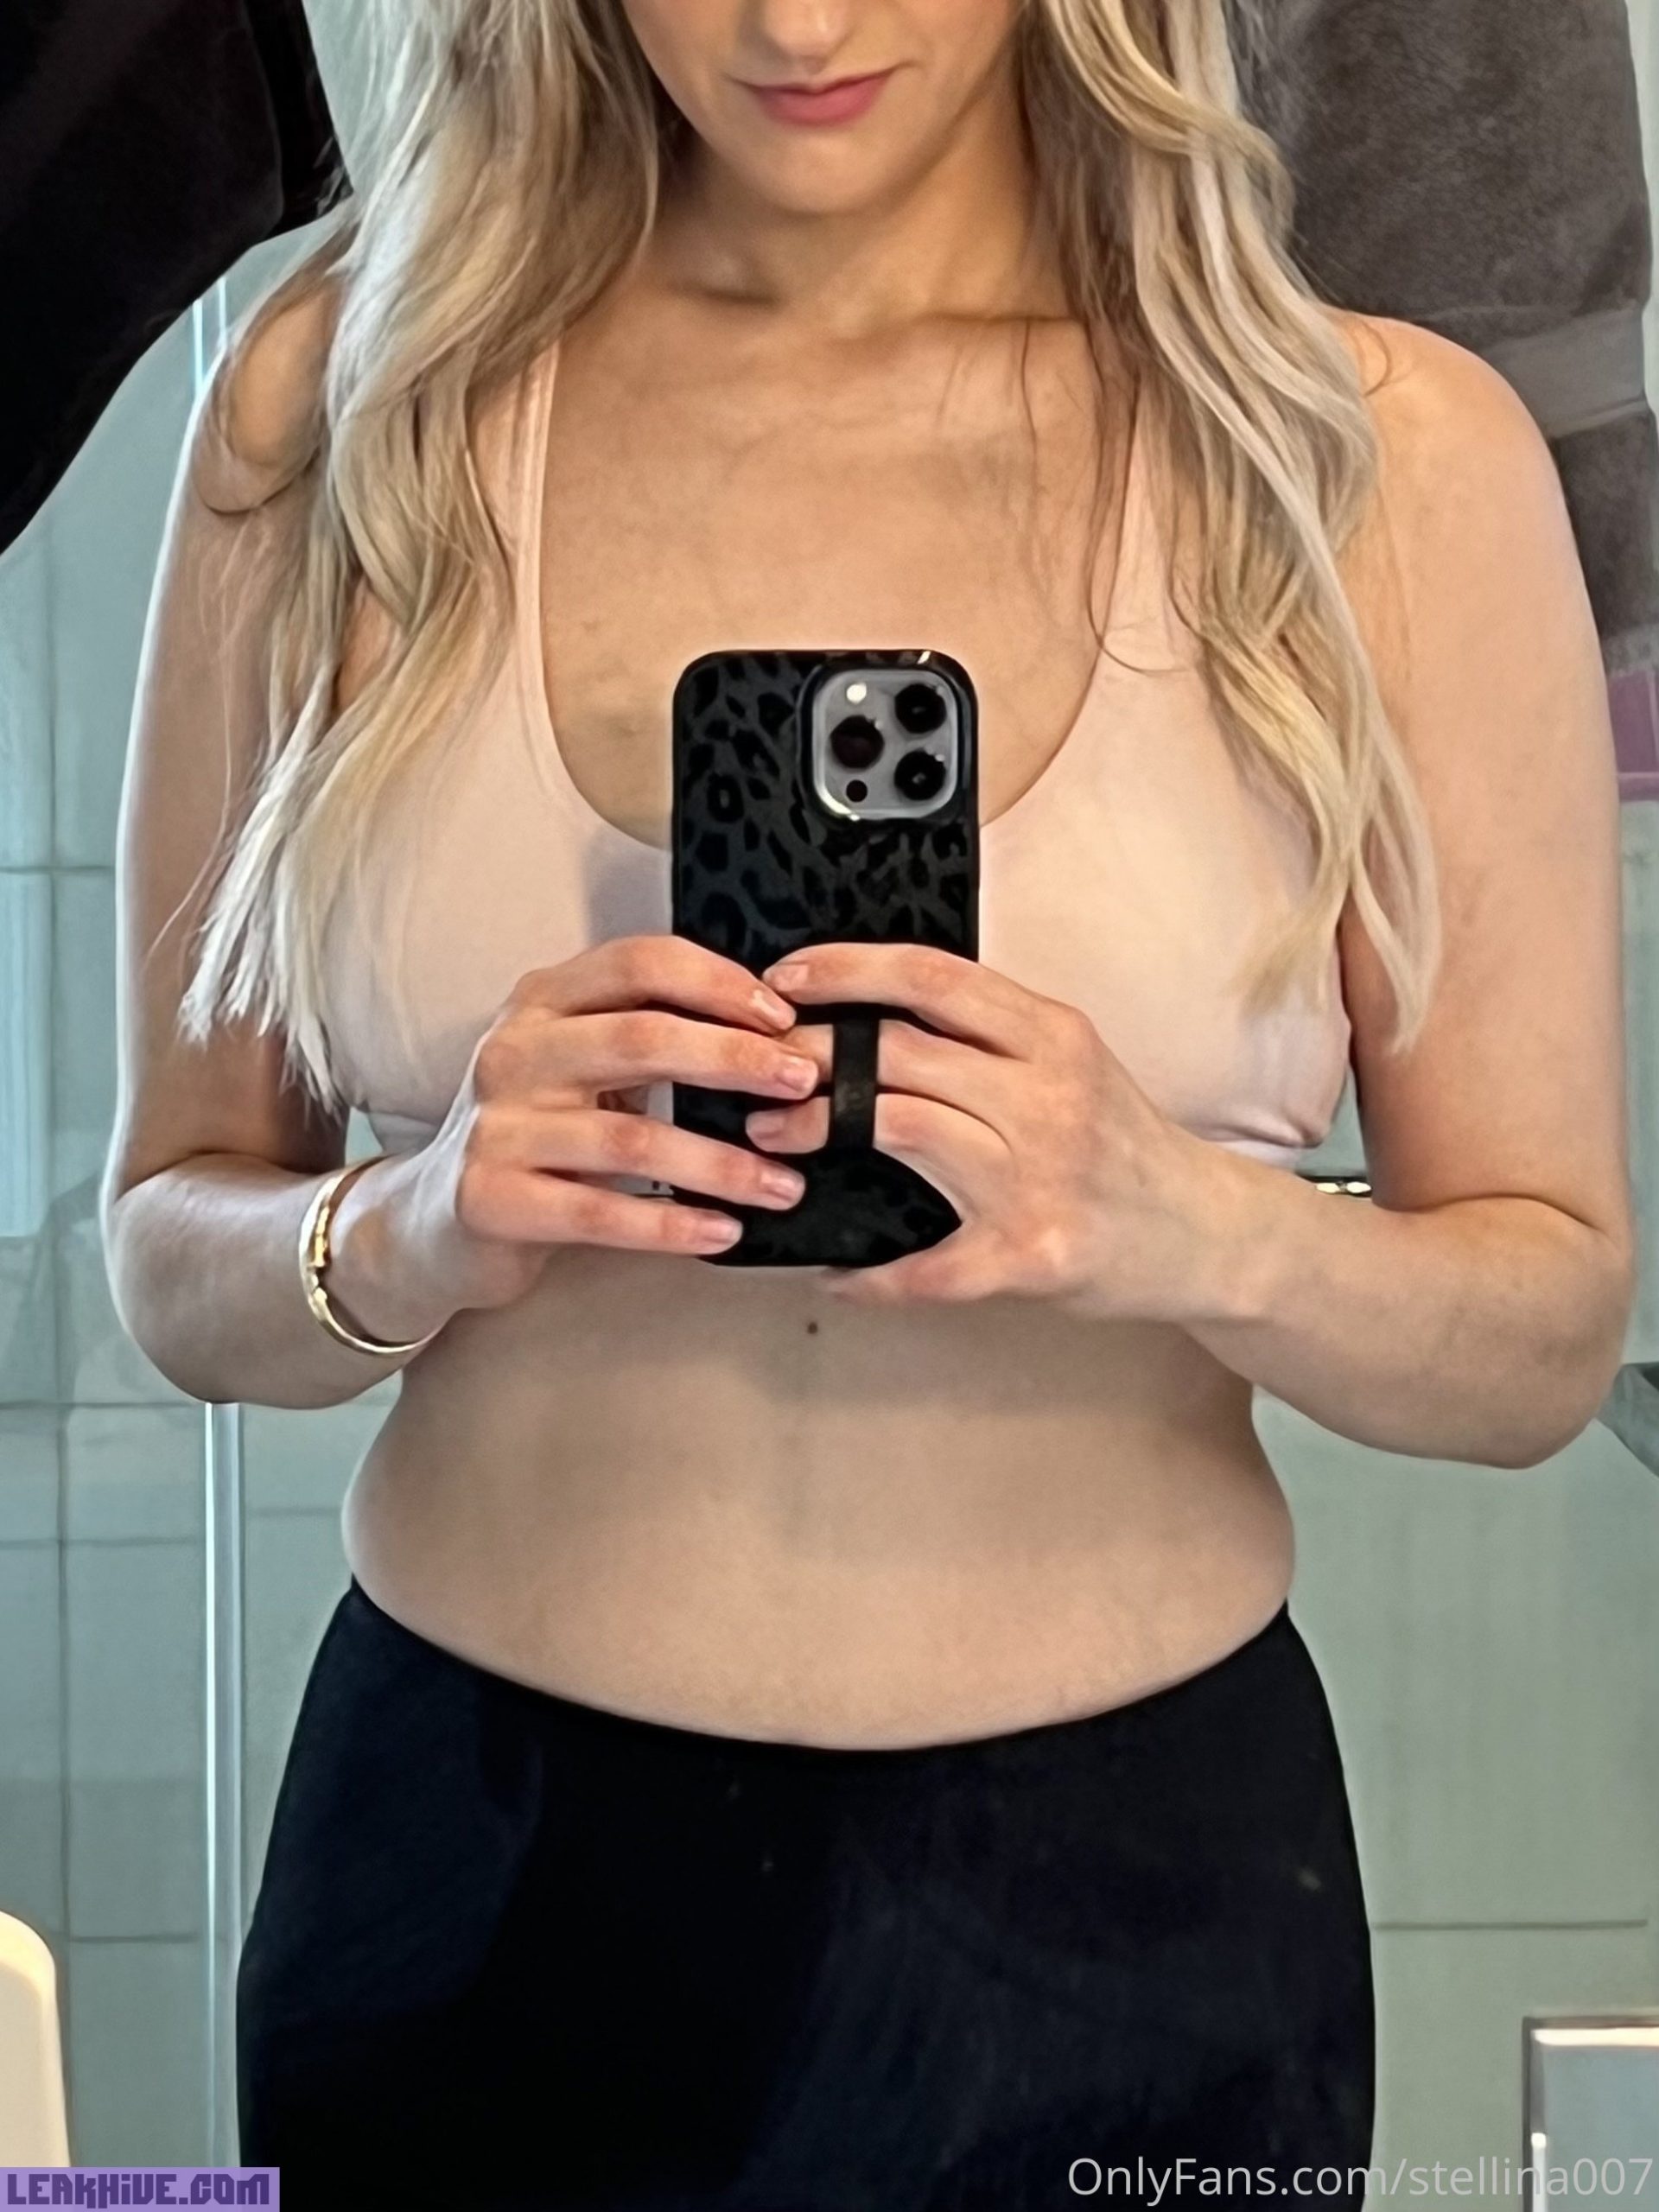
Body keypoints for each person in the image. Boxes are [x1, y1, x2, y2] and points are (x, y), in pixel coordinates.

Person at [103, 1, 1634, 2203]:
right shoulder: (339, 404)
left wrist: (1191, 1221)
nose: (799, 22)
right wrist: (417, 1224)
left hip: (1136, 1918)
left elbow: (1543, 1327)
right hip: (468, 1886)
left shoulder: (1379, 459)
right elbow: (172, 1237)